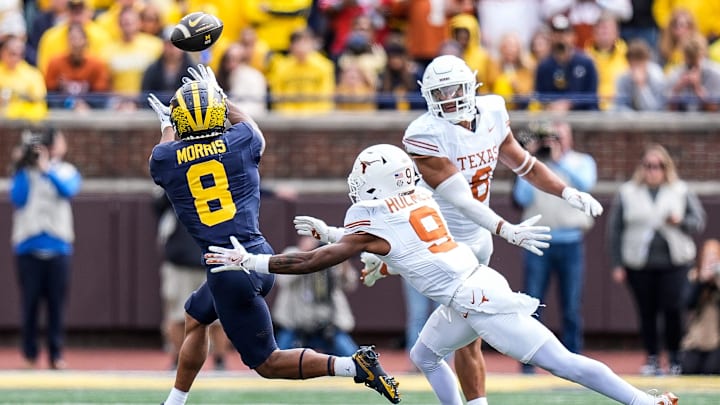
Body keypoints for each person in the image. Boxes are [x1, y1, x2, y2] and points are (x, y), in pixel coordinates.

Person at [206, 143, 680, 405]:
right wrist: (331, 229)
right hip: (466, 292)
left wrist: (249, 261)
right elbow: (385, 245)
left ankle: (644, 403)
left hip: (476, 299)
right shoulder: (416, 199)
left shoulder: (377, 217)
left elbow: (314, 261)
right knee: (426, 355)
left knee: (562, 363)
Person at [146, 64, 400, 405]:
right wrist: (219, 95)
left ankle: (353, 366)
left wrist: (166, 123)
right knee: (196, 315)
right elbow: (251, 128)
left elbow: (166, 149)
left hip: (228, 269)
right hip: (258, 254)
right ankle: (174, 402)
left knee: (267, 362)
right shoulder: (241, 143)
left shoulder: (164, 158)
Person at [389, 53, 602, 405]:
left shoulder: (491, 111)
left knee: (462, 339)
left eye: (454, 89)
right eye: (440, 93)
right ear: (427, 96)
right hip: (443, 245)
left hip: (478, 241)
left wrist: (568, 192)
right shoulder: (423, 134)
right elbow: (460, 199)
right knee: (445, 344)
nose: (449, 99)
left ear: (471, 86)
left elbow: (526, 165)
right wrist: (507, 229)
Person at [607, 143, 706, 376]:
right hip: (639, 263)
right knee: (646, 312)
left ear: (666, 167)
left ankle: (674, 356)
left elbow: (698, 221)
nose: (653, 171)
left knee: (673, 309)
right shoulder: (628, 192)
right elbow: (615, 230)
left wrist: (680, 221)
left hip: (674, 262)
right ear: (641, 167)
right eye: (649, 166)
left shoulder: (680, 190)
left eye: (658, 166)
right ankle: (652, 357)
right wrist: (617, 263)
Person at [512, 121, 598, 374]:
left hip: (571, 242)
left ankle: (575, 364)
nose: (554, 141)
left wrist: (559, 161)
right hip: (538, 242)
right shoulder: (533, 165)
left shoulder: (582, 161)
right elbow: (522, 197)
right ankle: (528, 364)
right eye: (551, 137)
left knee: (571, 306)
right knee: (531, 304)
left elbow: (586, 185)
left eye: (559, 136)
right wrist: (533, 159)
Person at [10, 128, 82, 370]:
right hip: (28, 247)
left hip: (59, 247)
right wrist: (22, 164)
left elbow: (68, 190)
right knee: (29, 304)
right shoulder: (24, 173)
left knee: (56, 305)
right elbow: (18, 199)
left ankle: (56, 353)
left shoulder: (66, 170)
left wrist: (46, 170)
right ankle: (29, 354)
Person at [153, 191, 229, 371]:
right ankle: (178, 358)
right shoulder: (173, 189)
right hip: (181, 262)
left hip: (212, 262)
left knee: (219, 317)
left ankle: (219, 359)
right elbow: (157, 205)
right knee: (177, 315)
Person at [272, 235, 360, 356]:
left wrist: (341, 258)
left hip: (327, 326)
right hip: (296, 325)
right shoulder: (292, 253)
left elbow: (349, 283)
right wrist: (306, 256)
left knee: (353, 357)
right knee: (277, 359)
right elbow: (282, 280)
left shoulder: (329, 258)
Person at [680, 239, 720, 375]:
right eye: (708, 259)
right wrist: (701, 282)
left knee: (712, 370)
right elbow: (687, 304)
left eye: (715, 260)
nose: (711, 264)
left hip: (716, 339)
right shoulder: (694, 276)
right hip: (697, 339)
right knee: (688, 369)